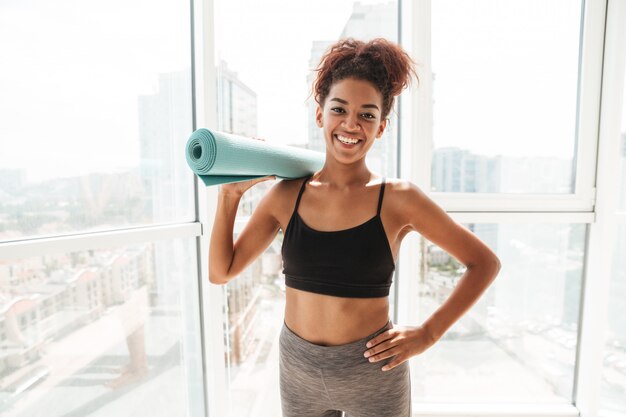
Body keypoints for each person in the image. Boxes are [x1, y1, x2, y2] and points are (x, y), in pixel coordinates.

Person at [209, 38, 501, 417]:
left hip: (373, 372)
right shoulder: (287, 195)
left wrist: (428, 334)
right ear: (320, 115)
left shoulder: (398, 199)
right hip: (298, 369)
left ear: (381, 127)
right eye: (339, 109)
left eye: (367, 114)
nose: (351, 124)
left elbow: (484, 263)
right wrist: (229, 196)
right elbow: (221, 271)